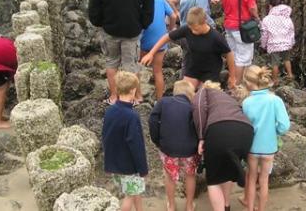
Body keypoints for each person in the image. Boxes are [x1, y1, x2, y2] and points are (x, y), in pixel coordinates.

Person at [88, 0, 154, 105]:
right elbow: (149, 8)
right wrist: (143, 24)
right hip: (132, 30)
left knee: (111, 63)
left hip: (110, 29)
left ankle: (114, 96)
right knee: (131, 65)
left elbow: (94, 6)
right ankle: (135, 97)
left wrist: (99, 23)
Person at [192, 80, 253, 211]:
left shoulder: (203, 91)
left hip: (220, 130)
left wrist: (201, 137)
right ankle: (226, 206)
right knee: (228, 173)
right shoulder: (227, 97)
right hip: (246, 130)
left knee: (213, 180)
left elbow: (198, 109)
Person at [140, 7, 235, 90]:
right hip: (193, 68)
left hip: (210, 72)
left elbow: (229, 54)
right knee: (183, 94)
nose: (193, 31)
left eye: (196, 29)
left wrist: (232, 76)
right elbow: (167, 37)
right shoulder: (188, 29)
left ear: (204, 22)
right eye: (191, 28)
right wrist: (151, 53)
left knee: (203, 98)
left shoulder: (216, 37)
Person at [241, 66, 290, 211]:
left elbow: (244, 126)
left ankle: (250, 208)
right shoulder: (275, 100)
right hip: (269, 147)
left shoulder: (246, 102)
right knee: (264, 181)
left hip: (252, 147)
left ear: (249, 83)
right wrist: (274, 132)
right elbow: (284, 125)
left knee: (251, 179)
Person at [149, 80, 199, 211]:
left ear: (175, 92)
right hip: (190, 149)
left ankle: (171, 205)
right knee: (190, 175)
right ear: (190, 93)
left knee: (170, 176)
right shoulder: (193, 106)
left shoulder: (163, 102)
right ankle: (189, 205)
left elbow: (152, 120)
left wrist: (157, 141)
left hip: (168, 148)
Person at [102, 71, 148, 211]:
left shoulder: (109, 111)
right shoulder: (132, 116)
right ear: (133, 90)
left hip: (114, 162)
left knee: (134, 190)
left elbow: (105, 135)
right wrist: (143, 168)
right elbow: (136, 145)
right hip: (129, 166)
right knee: (130, 195)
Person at [221, 0, 260, 84]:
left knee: (232, 55)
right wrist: (257, 17)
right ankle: (237, 86)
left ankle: (232, 81)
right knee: (243, 59)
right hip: (242, 27)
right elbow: (251, 5)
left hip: (228, 25)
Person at [140, 0, 177, 100]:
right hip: (159, 41)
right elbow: (173, 16)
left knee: (135, 69)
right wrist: (170, 30)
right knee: (157, 71)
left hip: (143, 41)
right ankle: (159, 101)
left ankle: (136, 97)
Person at [260, 0, 295, 86]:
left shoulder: (267, 19)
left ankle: (275, 81)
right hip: (286, 43)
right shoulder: (287, 18)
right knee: (287, 59)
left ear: (271, 6)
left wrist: (263, 45)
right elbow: (291, 31)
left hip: (274, 44)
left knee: (275, 63)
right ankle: (290, 75)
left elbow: (265, 34)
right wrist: (291, 42)